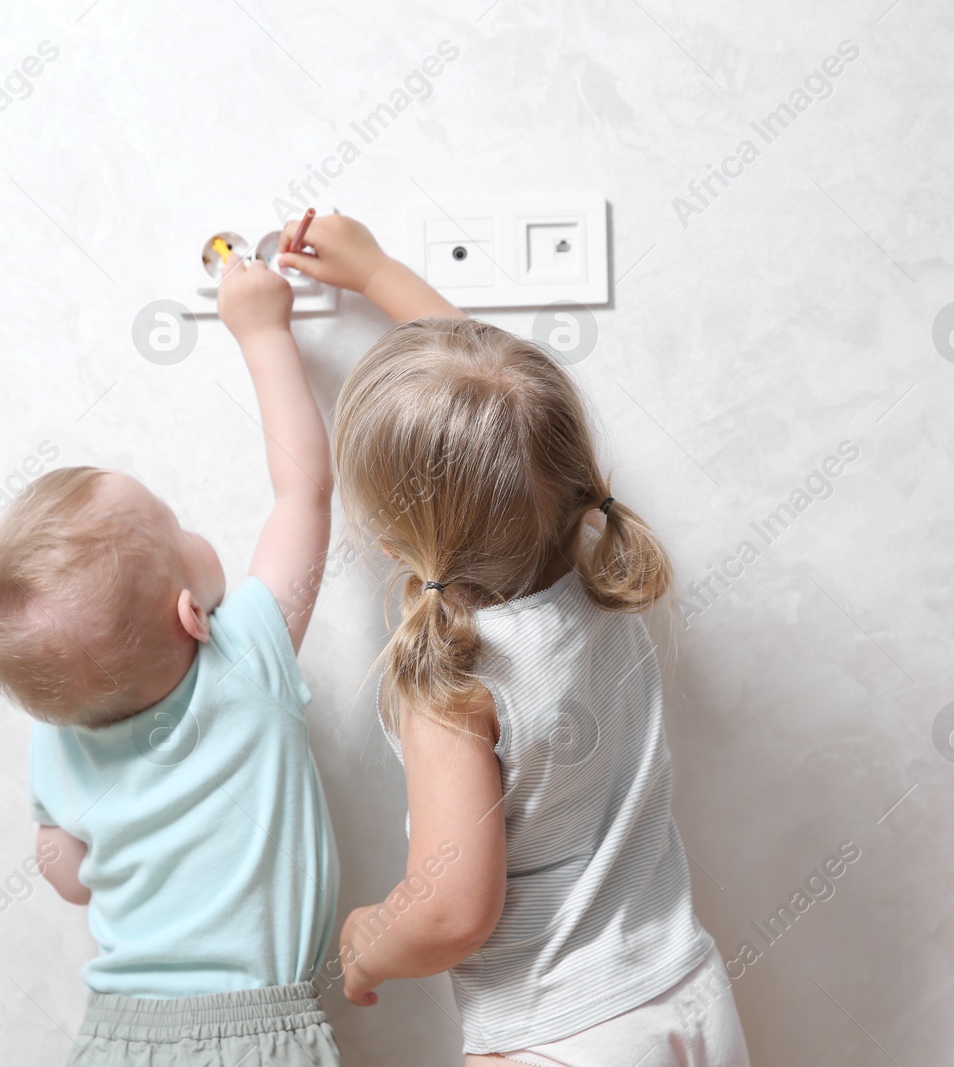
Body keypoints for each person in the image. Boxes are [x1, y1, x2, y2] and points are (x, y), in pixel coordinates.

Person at [280, 214, 750, 1066]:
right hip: (690, 995)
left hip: (564, 1034)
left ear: (390, 542)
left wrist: (368, 938)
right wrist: (380, 271)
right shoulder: (604, 580)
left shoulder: (454, 681)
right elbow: (501, 400)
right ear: (567, 470)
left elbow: (453, 910)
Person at [0, 255, 341, 1066]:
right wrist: (262, 329)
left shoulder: (55, 737)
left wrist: (70, 848)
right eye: (178, 526)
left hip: (115, 1038)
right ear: (192, 613)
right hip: (251, 1038)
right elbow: (304, 491)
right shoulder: (247, 659)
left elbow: (69, 873)